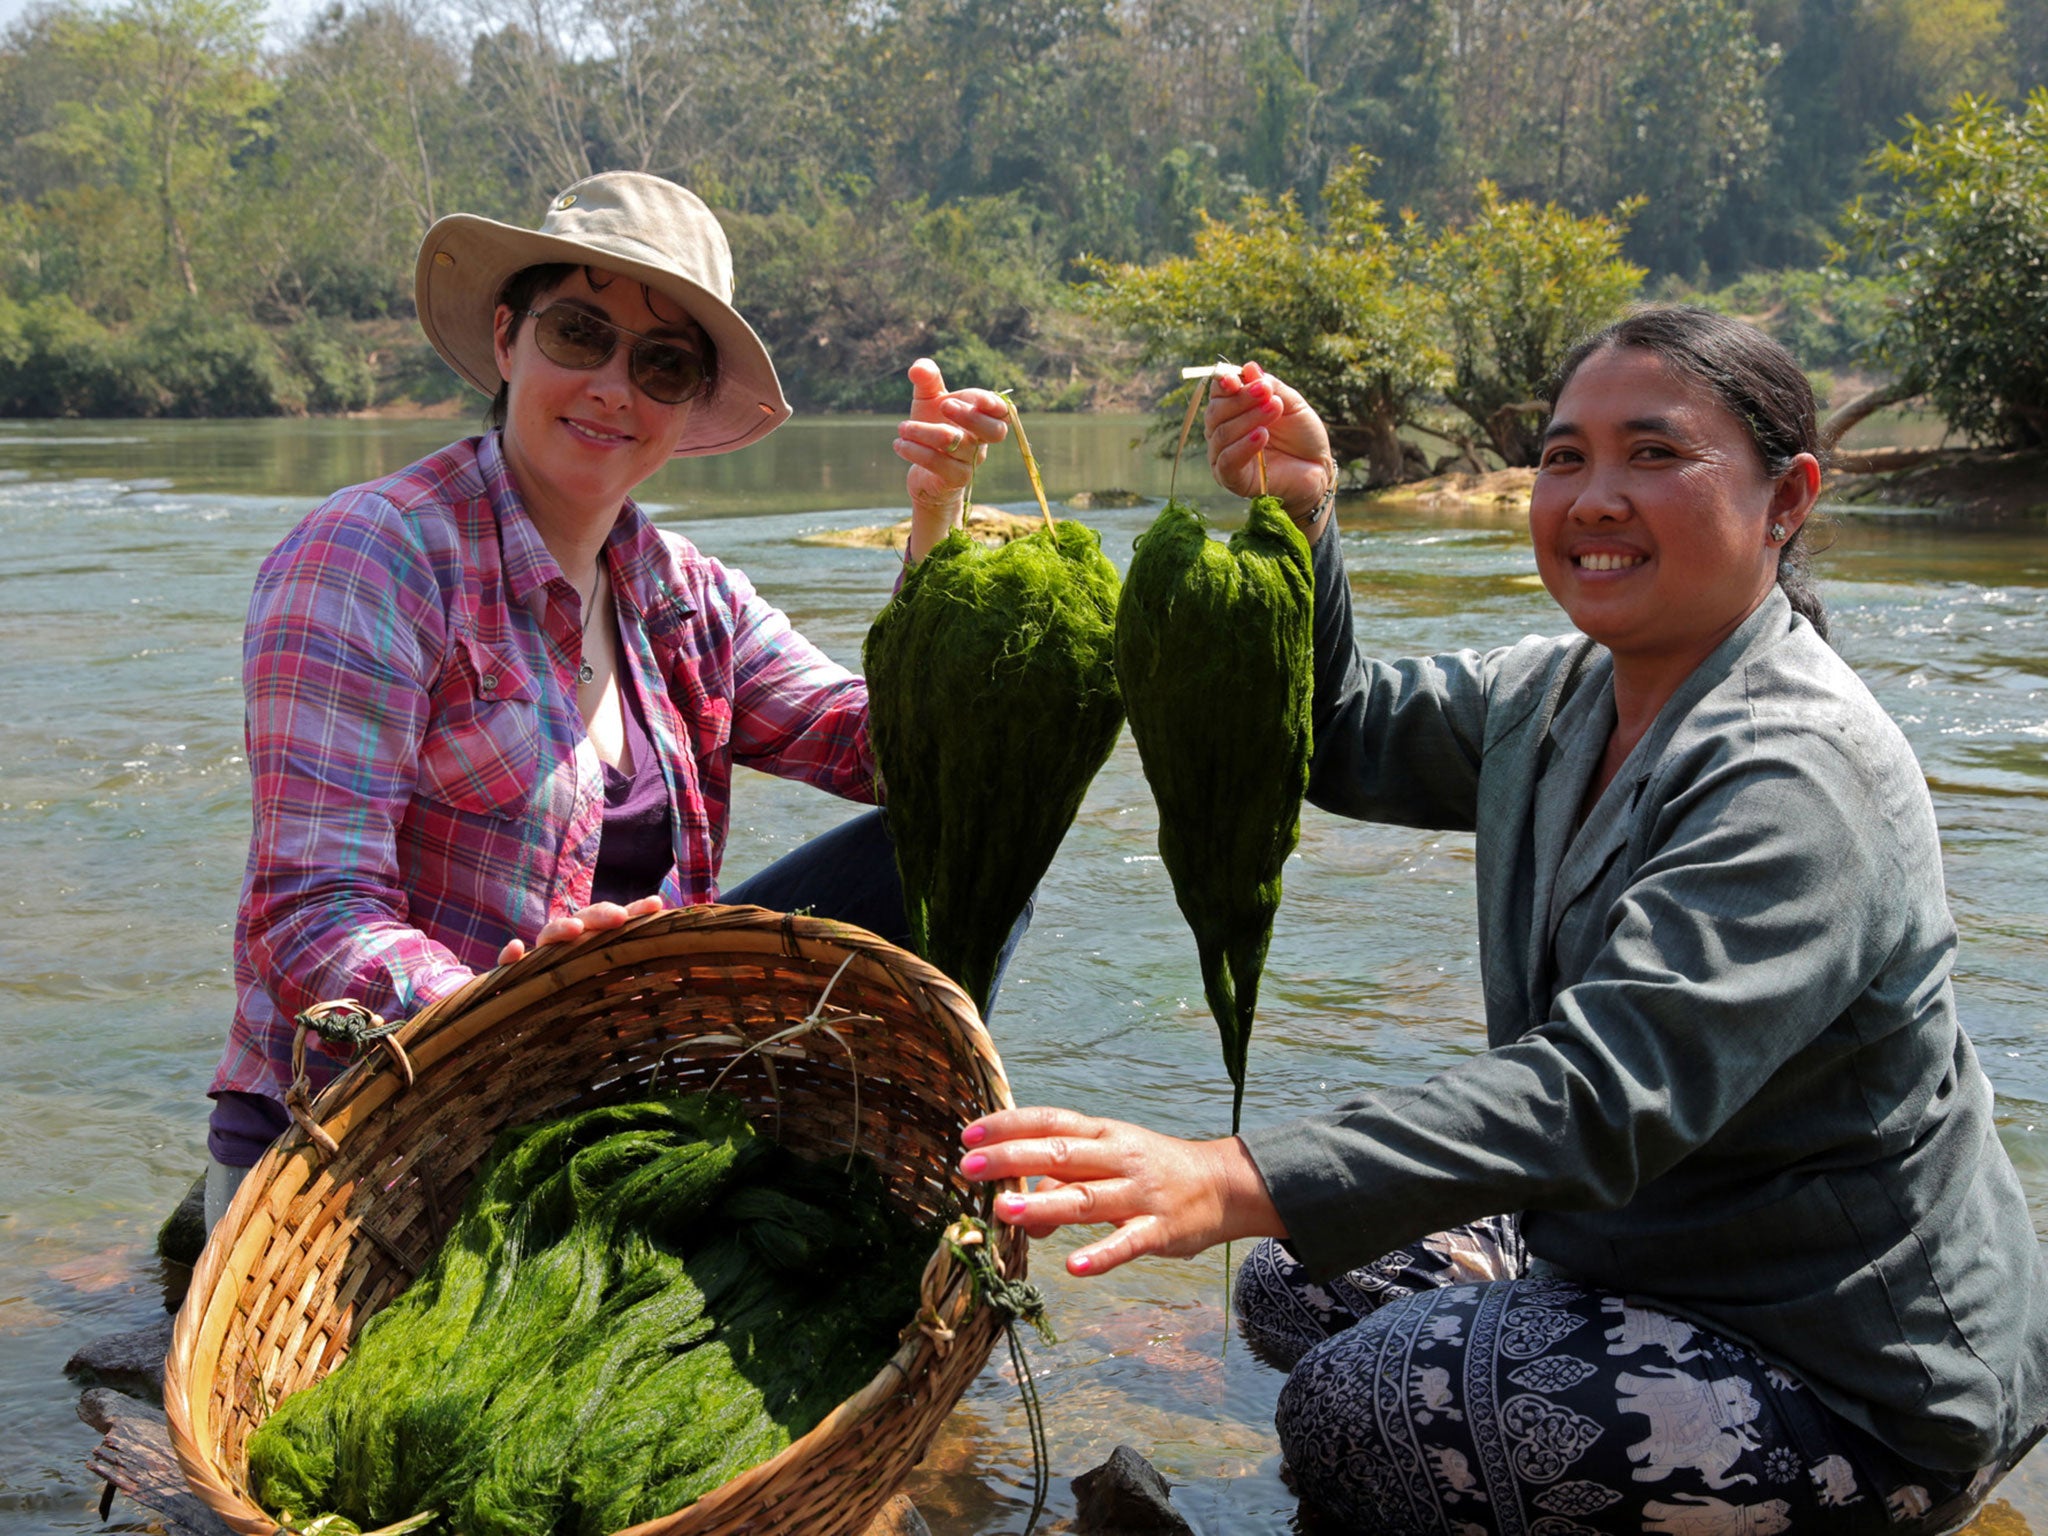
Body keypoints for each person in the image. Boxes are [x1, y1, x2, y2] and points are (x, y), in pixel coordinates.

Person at [959, 308, 2048, 1534]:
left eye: (1651, 454)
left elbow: (1596, 1093)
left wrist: (1228, 1171)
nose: (1590, 497)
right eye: (1562, 456)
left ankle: (1884, 1506)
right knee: (1291, 1281)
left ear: (1783, 497)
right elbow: (1339, 731)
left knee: (1355, 1405)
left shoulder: (1799, 775)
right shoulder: (1557, 694)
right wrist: (1307, 511)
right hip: (1641, 1253)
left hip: (1845, 1368)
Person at [204, 171, 1016, 1229]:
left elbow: (893, 753)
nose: (612, 388)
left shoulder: (681, 594)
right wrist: (511, 1010)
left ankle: (917, 1190)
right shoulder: (373, 557)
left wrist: (935, 525)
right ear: (507, 339)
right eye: (579, 333)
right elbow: (309, 917)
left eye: (663, 363)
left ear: (686, 407)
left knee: (970, 835)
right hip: (368, 1127)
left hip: (609, 1097)